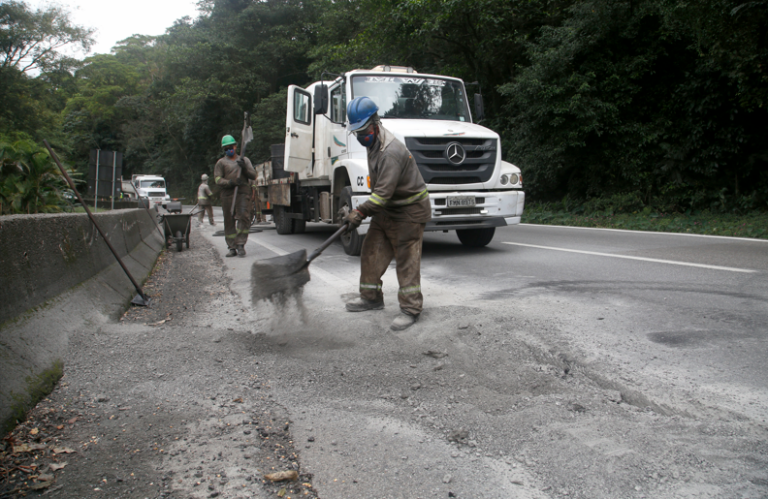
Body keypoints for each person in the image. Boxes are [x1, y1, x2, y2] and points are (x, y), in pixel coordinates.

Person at [342, 96, 430, 331]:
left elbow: (381, 195)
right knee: (371, 250)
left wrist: (358, 212)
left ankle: (411, 309)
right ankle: (371, 299)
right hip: (388, 209)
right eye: (357, 133)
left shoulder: (391, 152)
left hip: (409, 212)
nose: (361, 137)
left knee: (406, 259)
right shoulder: (374, 145)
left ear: (375, 123)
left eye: (363, 131)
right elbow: (382, 197)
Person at [213, 135, 256, 257]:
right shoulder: (221, 163)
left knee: (244, 218)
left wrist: (245, 169)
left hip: (242, 194)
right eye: (226, 148)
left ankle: (241, 244)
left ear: (236, 146)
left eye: (230, 147)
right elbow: (217, 179)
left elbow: (254, 175)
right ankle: (232, 247)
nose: (229, 150)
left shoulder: (245, 160)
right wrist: (229, 183)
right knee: (229, 221)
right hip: (228, 195)